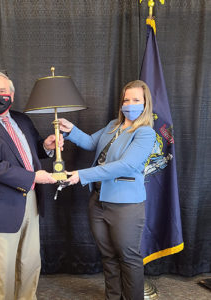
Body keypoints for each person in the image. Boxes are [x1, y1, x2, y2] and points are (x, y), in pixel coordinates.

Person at [0, 70, 61, 300]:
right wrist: (34, 178)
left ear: (12, 95)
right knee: (2, 272)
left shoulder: (22, 119)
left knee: (30, 264)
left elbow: (30, 151)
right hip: (0, 207)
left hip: (31, 202)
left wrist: (47, 146)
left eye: (2, 91)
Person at [59, 80, 156, 300]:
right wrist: (71, 130)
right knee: (108, 257)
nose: (129, 104)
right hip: (98, 202)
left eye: (136, 100)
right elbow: (91, 142)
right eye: (126, 99)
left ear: (145, 103)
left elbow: (127, 165)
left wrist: (82, 175)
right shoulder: (114, 124)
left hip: (126, 206)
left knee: (128, 258)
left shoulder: (145, 133)